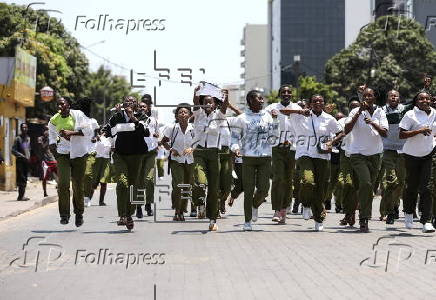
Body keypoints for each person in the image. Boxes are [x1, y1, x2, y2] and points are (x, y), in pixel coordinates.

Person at [282, 95, 342, 231]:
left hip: (322, 156)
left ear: (324, 103)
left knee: (321, 190)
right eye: (315, 101)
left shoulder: (329, 118)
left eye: (320, 101)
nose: (318, 103)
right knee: (308, 181)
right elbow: (283, 111)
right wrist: (300, 111)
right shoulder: (301, 116)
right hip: (304, 154)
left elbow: (341, 132)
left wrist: (331, 142)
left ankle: (318, 220)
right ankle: (306, 204)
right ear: (310, 103)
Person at [231, 90, 278, 231]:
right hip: (248, 158)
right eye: (259, 98)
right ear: (251, 100)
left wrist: (275, 121)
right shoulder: (242, 118)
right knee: (249, 190)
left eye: (262, 98)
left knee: (264, 189)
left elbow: (274, 137)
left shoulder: (268, 116)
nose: (262, 101)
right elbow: (234, 137)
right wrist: (235, 148)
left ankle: (254, 205)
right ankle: (247, 221)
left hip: (265, 157)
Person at [104, 95, 150, 231]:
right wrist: (119, 115)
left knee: (133, 186)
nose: (129, 103)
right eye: (127, 101)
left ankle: (130, 214)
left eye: (133, 101)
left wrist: (133, 118)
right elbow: (110, 133)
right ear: (122, 103)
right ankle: (122, 215)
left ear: (136, 105)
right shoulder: (116, 117)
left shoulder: (142, 116)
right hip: (120, 155)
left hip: (137, 155)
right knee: (122, 183)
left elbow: (145, 132)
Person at [345, 88, 388, 232]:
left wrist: (372, 122)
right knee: (366, 183)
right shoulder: (355, 111)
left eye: (370, 95)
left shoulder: (380, 112)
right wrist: (358, 112)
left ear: (375, 97)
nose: (367, 97)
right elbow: (347, 129)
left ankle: (352, 212)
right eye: (365, 95)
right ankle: (364, 219)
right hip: (357, 154)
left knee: (367, 188)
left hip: (375, 155)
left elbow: (385, 133)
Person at [48, 97, 93, 226]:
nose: (59, 106)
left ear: (68, 105)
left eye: (62, 104)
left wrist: (71, 133)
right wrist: (55, 152)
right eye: (58, 104)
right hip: (63, 154)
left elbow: (88, 131)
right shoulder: (53, 120)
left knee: (78, 185)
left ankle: (79, 214)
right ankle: (64, 215)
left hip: (79, 154)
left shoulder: (78, 115)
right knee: (62, 185)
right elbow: (51, 138)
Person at [192, 85, 229, 231]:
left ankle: (212, 219)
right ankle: (199, 203)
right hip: (200, 152)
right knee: (201, 182)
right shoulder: (198, 115)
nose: (207, 104)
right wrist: (195, 93)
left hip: (214, 154)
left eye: (210, 102)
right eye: (205, 102)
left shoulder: (219, 116)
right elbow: (195, 102)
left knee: (214, 189)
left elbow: (225, 107)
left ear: (214, 104)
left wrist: (226, 96)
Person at [399, 92, 436, 233]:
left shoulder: (434, 113)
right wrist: (419, 131)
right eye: (421, 98)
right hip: (411, 155)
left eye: (427, 98)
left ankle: (426, 221)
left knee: (427, 188)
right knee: (411, 187)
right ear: (416, 101)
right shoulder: (410, 115)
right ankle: (409, 212)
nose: (424, 100)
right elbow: (401, 134)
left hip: (429, 154)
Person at [265, 84, 300, 224]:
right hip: (277, 148)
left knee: (288, 180)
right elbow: (263, 122)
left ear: (292, 95)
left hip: (292, 148)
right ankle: (276, 209)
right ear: (279, 94)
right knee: (278, 178)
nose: (286, 94)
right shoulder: (272, 108)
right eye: (283, 92)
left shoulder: (297, 108)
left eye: (289, 92)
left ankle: (285, 209)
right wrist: (272, 117)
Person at [379, 90, 410, 224]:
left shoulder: (405, 109)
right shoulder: (381, 110)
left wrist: (425, 89)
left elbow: (415, 102)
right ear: (387, 98)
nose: (393, 97)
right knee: (390, 181)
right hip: (387, 149)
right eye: (391, 95)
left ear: (399, 98)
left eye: (396, 95)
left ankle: (395, 206)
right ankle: (389, 211)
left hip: (403, 150)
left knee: (400, 183)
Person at [161, 103, 195, 221]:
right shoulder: (172, 128)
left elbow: (198, 143)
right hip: (176, 160)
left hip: (190, 161)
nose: (183, 114)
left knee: (187, 186)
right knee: (178, 185)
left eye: (185, 112)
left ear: (190, 115)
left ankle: (182, 210)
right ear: (177, 116)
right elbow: (163, 141)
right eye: (180, 112)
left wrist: (192, 148)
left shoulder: (193, 128)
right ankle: (177, 211)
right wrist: (171, 149)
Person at [337, 98, 360, 226]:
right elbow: (340, 133)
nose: (354, 109)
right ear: (348, 108)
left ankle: (356, 213)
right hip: (346, 155)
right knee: (348, 184)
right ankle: (348, 214)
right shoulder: (342, 121)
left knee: (359, 186)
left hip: (361, 155)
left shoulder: (365, 119)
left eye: (357, 106)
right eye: (352, 107)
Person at [136, 97, 159, 218]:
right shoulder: (133, 119)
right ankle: (138, 206)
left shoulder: (153, 120)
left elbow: (157, 133)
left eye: (144, 106)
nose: (142, 108)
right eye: (140, 106)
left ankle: (148, 203)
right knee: (138, 181)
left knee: (149, 179)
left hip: (150, 152)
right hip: (138, 153)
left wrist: (156, 137)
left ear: (148, 108)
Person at [90, 128, 112, 206]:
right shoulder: (97, 137)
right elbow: (92, 142)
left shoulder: (110, 139)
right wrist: (96, 137)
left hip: (106, 161)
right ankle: (87, 201)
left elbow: (112, 149)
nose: (105, 132)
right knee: (93, 183)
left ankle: (101, 201)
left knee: (104, 181)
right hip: (97, 160)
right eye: (103, 131)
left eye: (106, 131)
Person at [11, 123, 31, 201]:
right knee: (21, 178)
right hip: (20, 162)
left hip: (26, 162)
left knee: (25, 178)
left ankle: (22, 195)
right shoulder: (17, 139)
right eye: (23, 127)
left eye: (26, 127)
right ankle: (20, 196)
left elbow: (28, 149)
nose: (24, 129)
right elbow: (13, 150)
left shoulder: (28, 138)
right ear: (20, 129)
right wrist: (22, 156)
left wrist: (28, 157)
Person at [38, 128, 58, 197]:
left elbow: (55, 147)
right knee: (45, 177)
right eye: (45, 130)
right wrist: (48, 140)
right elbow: (42, 148)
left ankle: (60, 188)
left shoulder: (51, 138)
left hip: (52, 159)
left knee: (59, 173)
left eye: (48, 130)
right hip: (45, 161)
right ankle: (45, 192)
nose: (47, 132)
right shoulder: (40, 139)